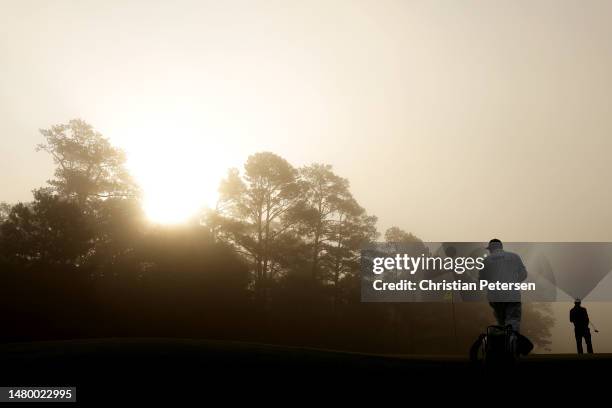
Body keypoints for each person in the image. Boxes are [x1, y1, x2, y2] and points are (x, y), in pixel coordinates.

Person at [479, 239, 528, 333]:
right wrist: (514, 283)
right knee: (513, 319)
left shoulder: (486, 261)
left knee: (501, 322)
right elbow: (524, 274)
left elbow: (482, 280)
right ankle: (512, 341)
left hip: (494, 296)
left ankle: (503, 343)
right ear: (501, 247)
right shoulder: (514, 256)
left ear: (491, 249)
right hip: (512, 294)